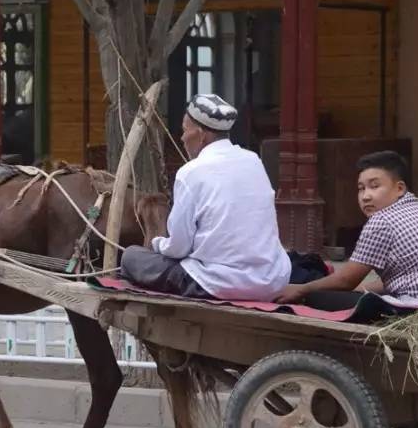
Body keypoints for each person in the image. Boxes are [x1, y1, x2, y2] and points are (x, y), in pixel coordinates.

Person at [120, 94, 292, 301]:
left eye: (185, 131)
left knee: (131, 256)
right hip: (272, 280)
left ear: (201, 135)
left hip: (218, 283)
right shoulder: (253, 160)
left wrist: (157, 244)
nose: (182, 139)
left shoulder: (190, 173)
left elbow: (178, 248)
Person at [276, 150, 418, 307]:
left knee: (316, 295)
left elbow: (346, 281)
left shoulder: (382, 221)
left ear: (400, 188)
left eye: (374, 186)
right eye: (361, 188)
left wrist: (301, 290)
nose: (366, 196)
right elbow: (397, 280)